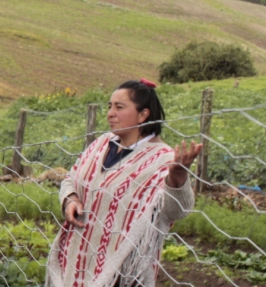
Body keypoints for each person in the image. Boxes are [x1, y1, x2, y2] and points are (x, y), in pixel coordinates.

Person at [46, 79, 202, 287]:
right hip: (76, 262)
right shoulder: (101, 144)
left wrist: (178, 176)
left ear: (143, 114)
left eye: (119, 107)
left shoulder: (162, 159)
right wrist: (70, 199)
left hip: (121, 275)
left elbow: (175, 211)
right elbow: (71, 179)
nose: (110, 113)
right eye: (110, 106)